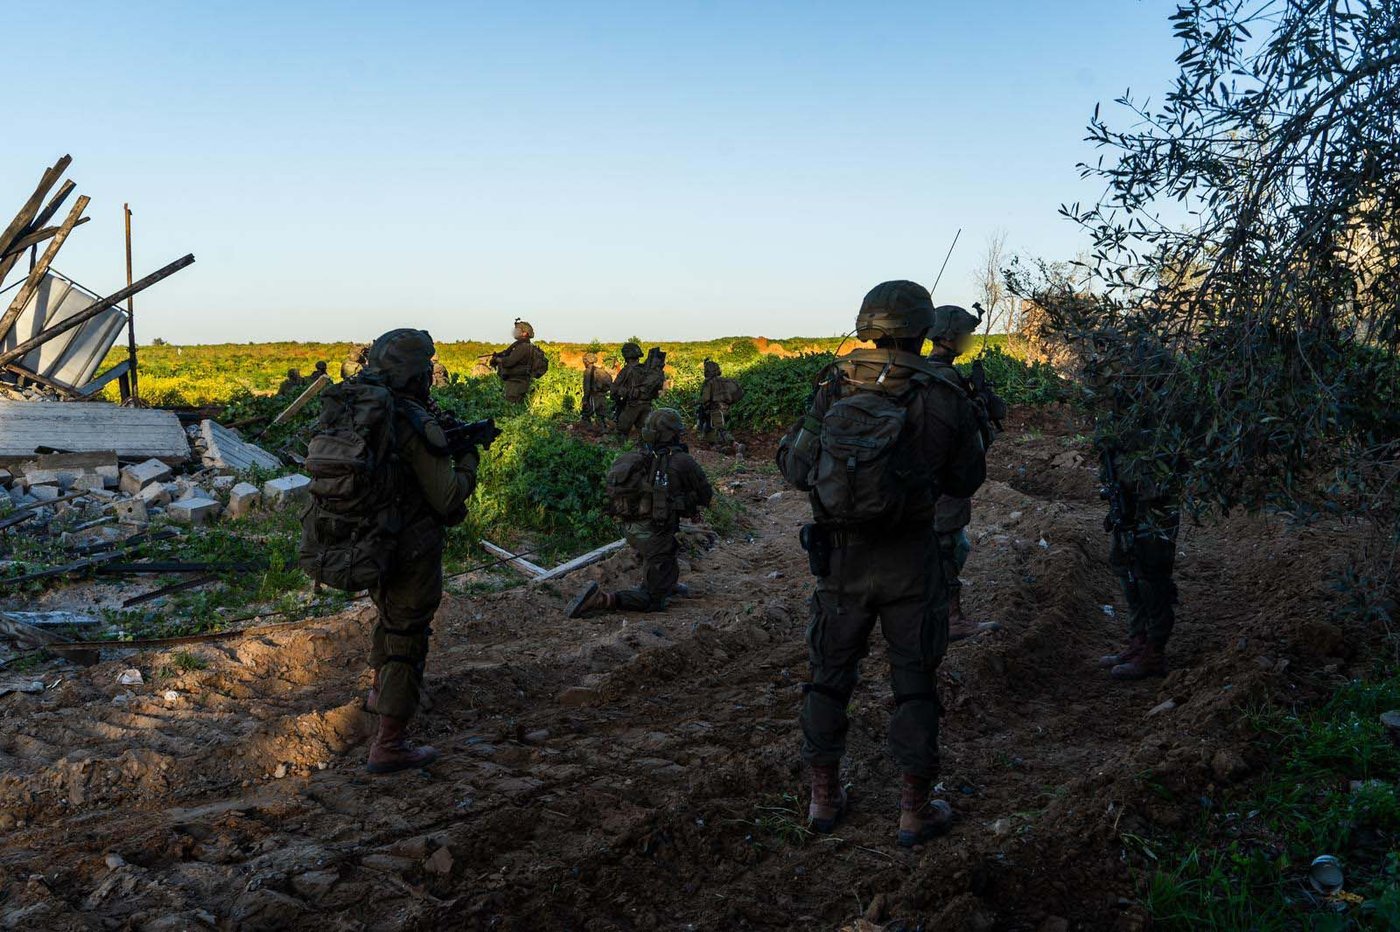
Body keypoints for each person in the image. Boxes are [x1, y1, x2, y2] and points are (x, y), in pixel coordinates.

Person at [776, 280, 986, 847]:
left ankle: (823, 797)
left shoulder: (833, 384)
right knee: (914, 683)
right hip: (911, 559)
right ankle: (914, 810)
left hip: (840, 561)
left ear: (866, 325)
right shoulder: (943, 393)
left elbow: (796, 470)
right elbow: (966, 480)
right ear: (924, 329)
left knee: (828, 676)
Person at [361, 328, 479, 773]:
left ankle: (379, 694)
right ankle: (389, 744)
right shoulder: (410, 419)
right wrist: (468, 461)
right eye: (426, 367)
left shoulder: (367, 411)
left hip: (372, 541)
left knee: (389, 619)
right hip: (410, 546)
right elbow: (447, 498)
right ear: (415, 373)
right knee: (407, 638)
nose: (431, 373)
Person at [1089, 331, 1181, 681]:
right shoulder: (1122, 411)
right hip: (1128, 499)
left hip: (1153, 503)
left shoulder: (1161, 414)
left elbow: (1162, 467)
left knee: (1150, 573)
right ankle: (1138, 639)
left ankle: (1154, 650)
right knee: (1124, 564)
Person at [566, 408, 712, 617]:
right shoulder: (681, 461)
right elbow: (705, 494)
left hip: (632, 531)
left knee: (668, 549)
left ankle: (666, 583)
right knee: (653, 600)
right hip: (655, 536)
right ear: (672, 434)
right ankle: (603, 599)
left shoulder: (640, 458)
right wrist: (689, 503)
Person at [927, 304, 1008, 642]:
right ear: (948, 337)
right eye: (964, 334)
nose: (967, 340)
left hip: (931, 479)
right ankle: (950, 618)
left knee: (946, 545)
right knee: (949, 547)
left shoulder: (928, 374)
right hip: (944, 480)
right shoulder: (944, 381)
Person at [610, 342, 661, 438]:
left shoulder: (627, 370)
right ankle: (645, 447)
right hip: (647, 404)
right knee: (644, 432)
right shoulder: (646, 369)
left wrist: (618, 396)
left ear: (626, 356)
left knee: (621, 431)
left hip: (632, 405)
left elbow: (614, 389)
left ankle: (622, 447)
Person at [489, 319, 547, 404]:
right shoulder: (522, 345)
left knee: (512, 406)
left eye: (517, 330)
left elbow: (509, 362)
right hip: (517, 382)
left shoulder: (523, 347)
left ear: (525, 333)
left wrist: (497, 359)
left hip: (517, 382)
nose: (514, 332)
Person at [697, 359, 744, 447]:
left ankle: (735, 445)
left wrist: (700, 404)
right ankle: (718, 446)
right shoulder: (726, 381)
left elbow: (705, 399)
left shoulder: (708, 383)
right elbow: (738, 393)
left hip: (715, 410)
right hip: (726, 409)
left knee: (720, 430)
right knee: (713, 429)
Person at [580, 351, 614, 426]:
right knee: (602, 414)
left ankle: (586, 428)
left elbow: (587, 388)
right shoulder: (600, 371)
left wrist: (585, 399)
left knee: (586, 413)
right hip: (602, 396)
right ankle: (605, 428)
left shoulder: (587, 372)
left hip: (593, 396)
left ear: (586, 361)